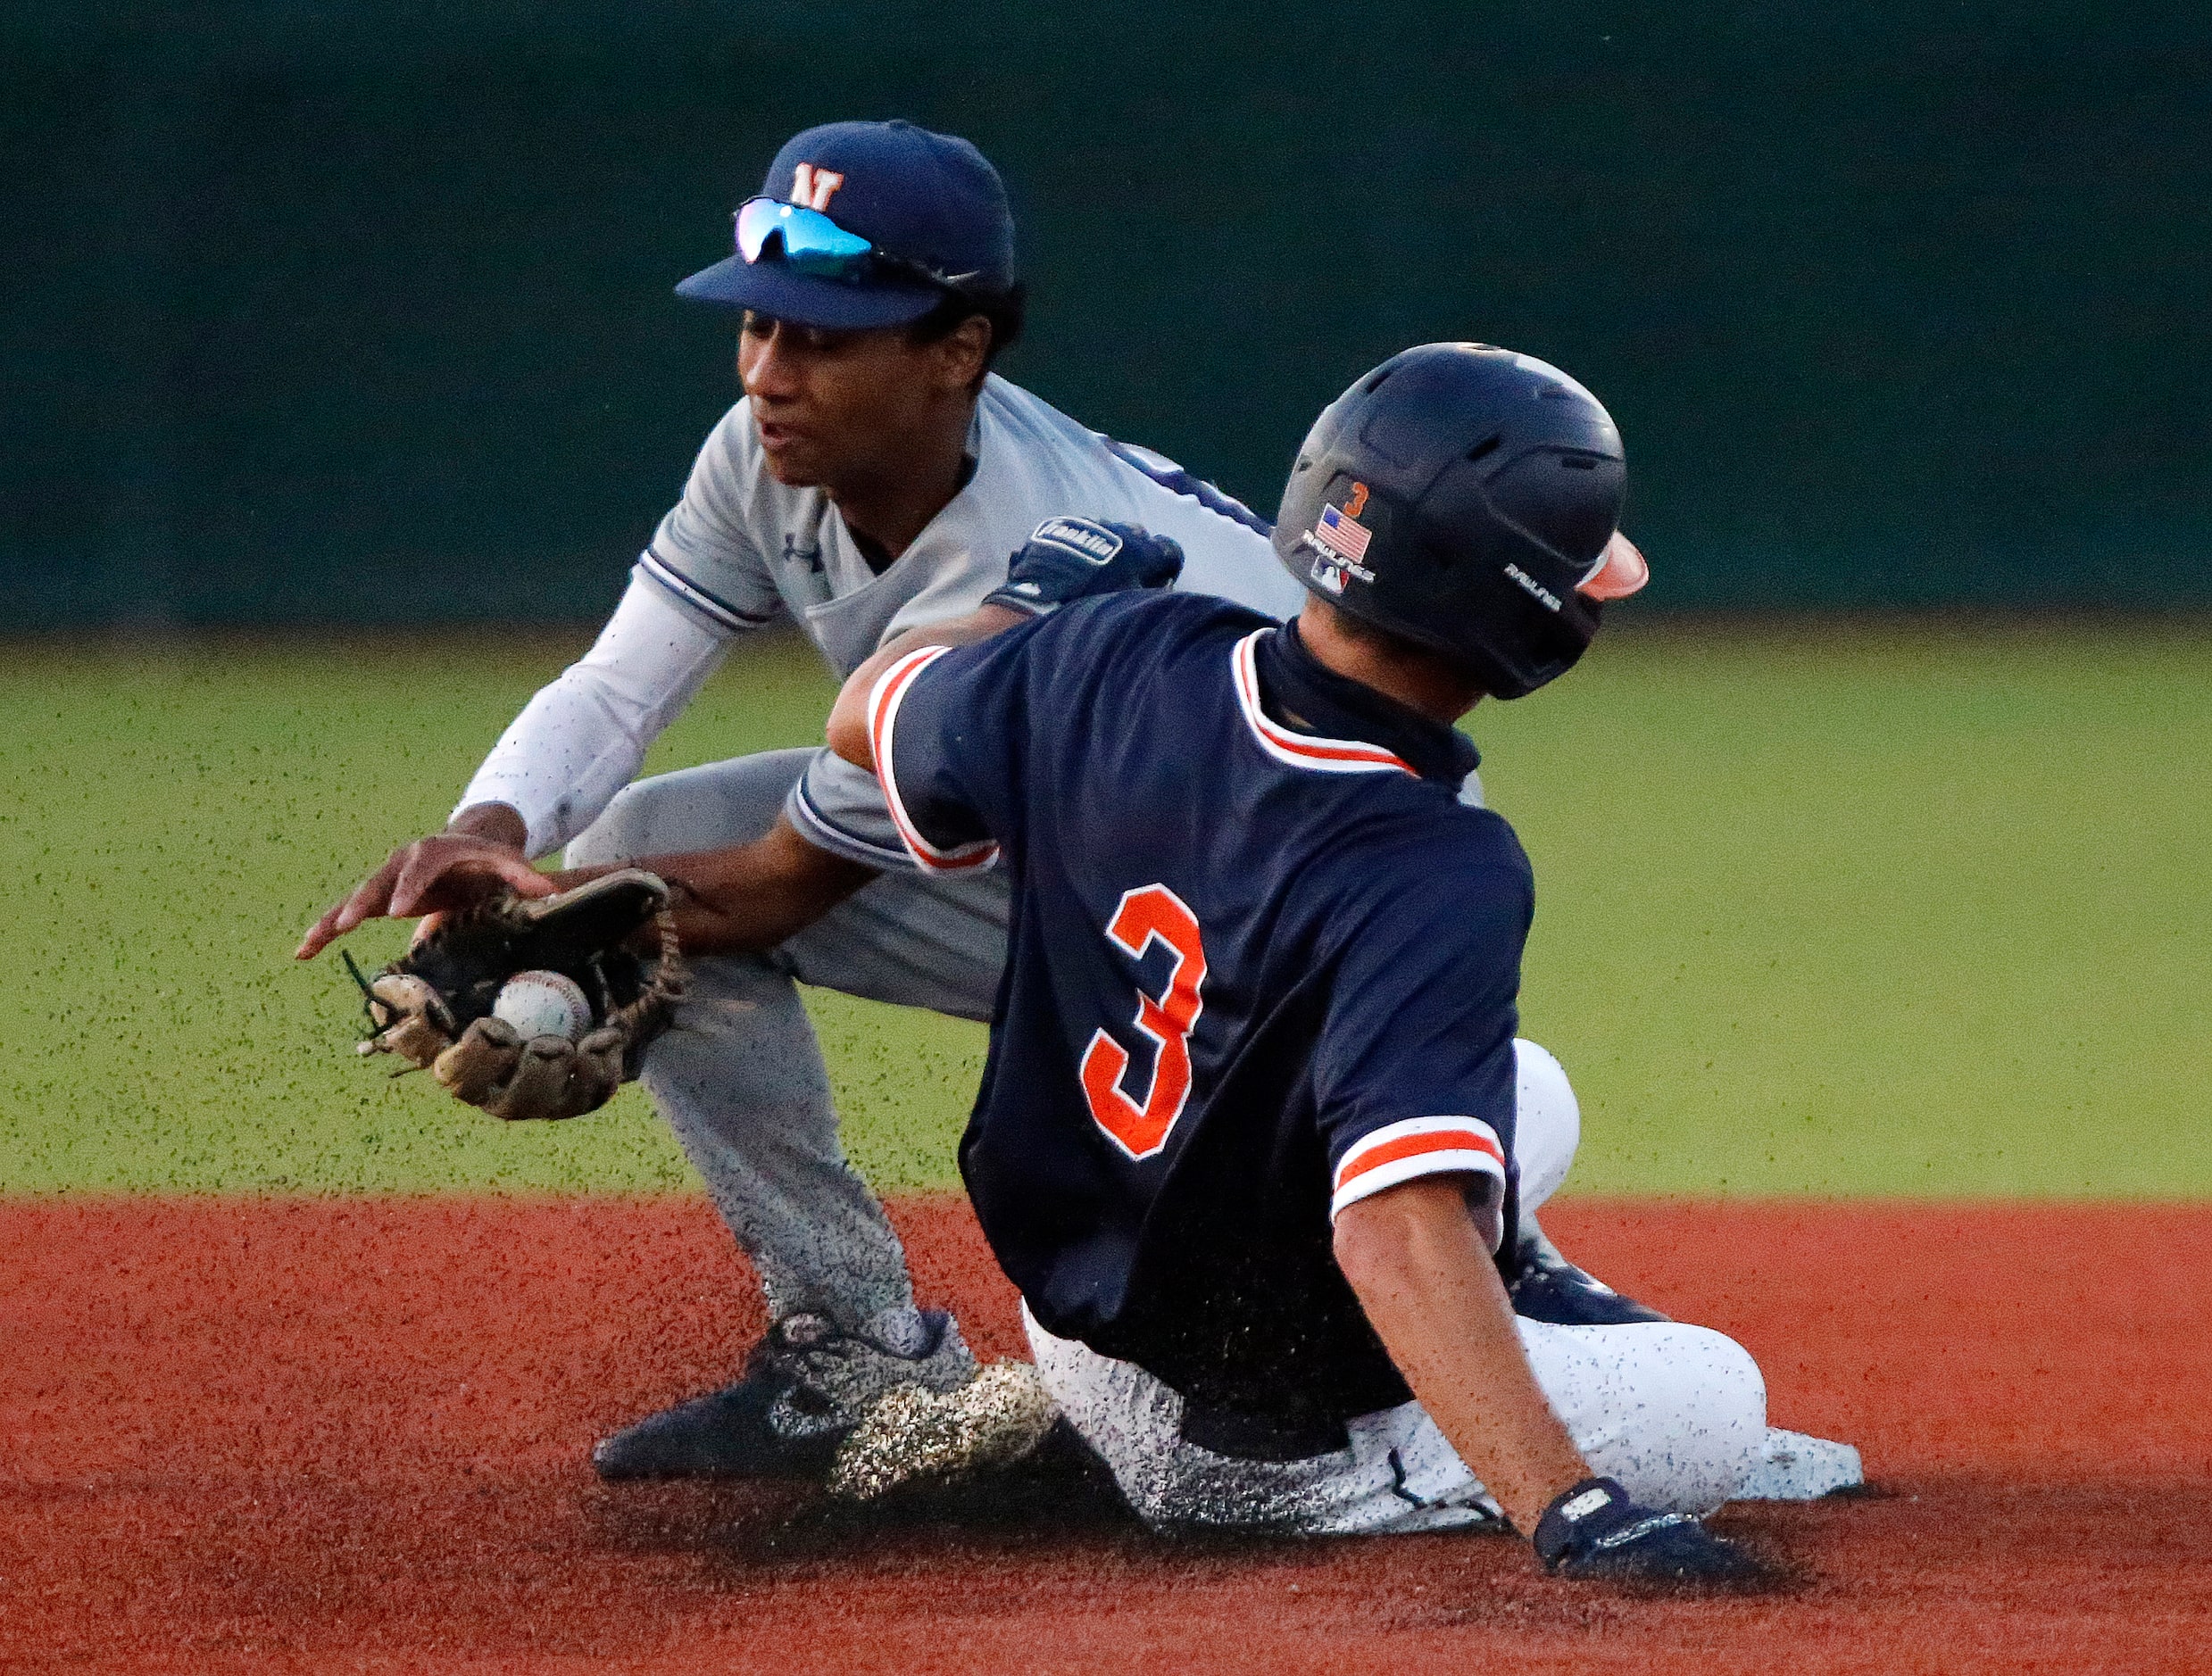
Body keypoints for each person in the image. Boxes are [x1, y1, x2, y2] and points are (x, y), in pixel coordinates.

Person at [296, 122, 1848, 1502]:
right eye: (759, 322)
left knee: (661, 882)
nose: (769, 369)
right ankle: (859, 1347)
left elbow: (774, 892)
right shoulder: (764, 457)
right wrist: (493, 832)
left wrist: (551, 918)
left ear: (958, 348)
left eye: (824, 335)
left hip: (1310, 868)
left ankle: (1472, 1292)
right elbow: (624, 678)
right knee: (633, 840)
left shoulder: (1016, 571)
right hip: (1131, 834)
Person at [644, 344, 1782, 1581]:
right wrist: (1572, 1509)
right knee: (1714, 1398)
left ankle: (1500, 1283)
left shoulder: (1118, 650)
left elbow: (866, 710)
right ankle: (1400, 1417)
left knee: (1521, 1085)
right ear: (1520, 613)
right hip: (1244, 1442)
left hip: (1074, 1308)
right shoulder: (1431, 861)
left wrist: (1019, 611)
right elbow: (1392, 1230)